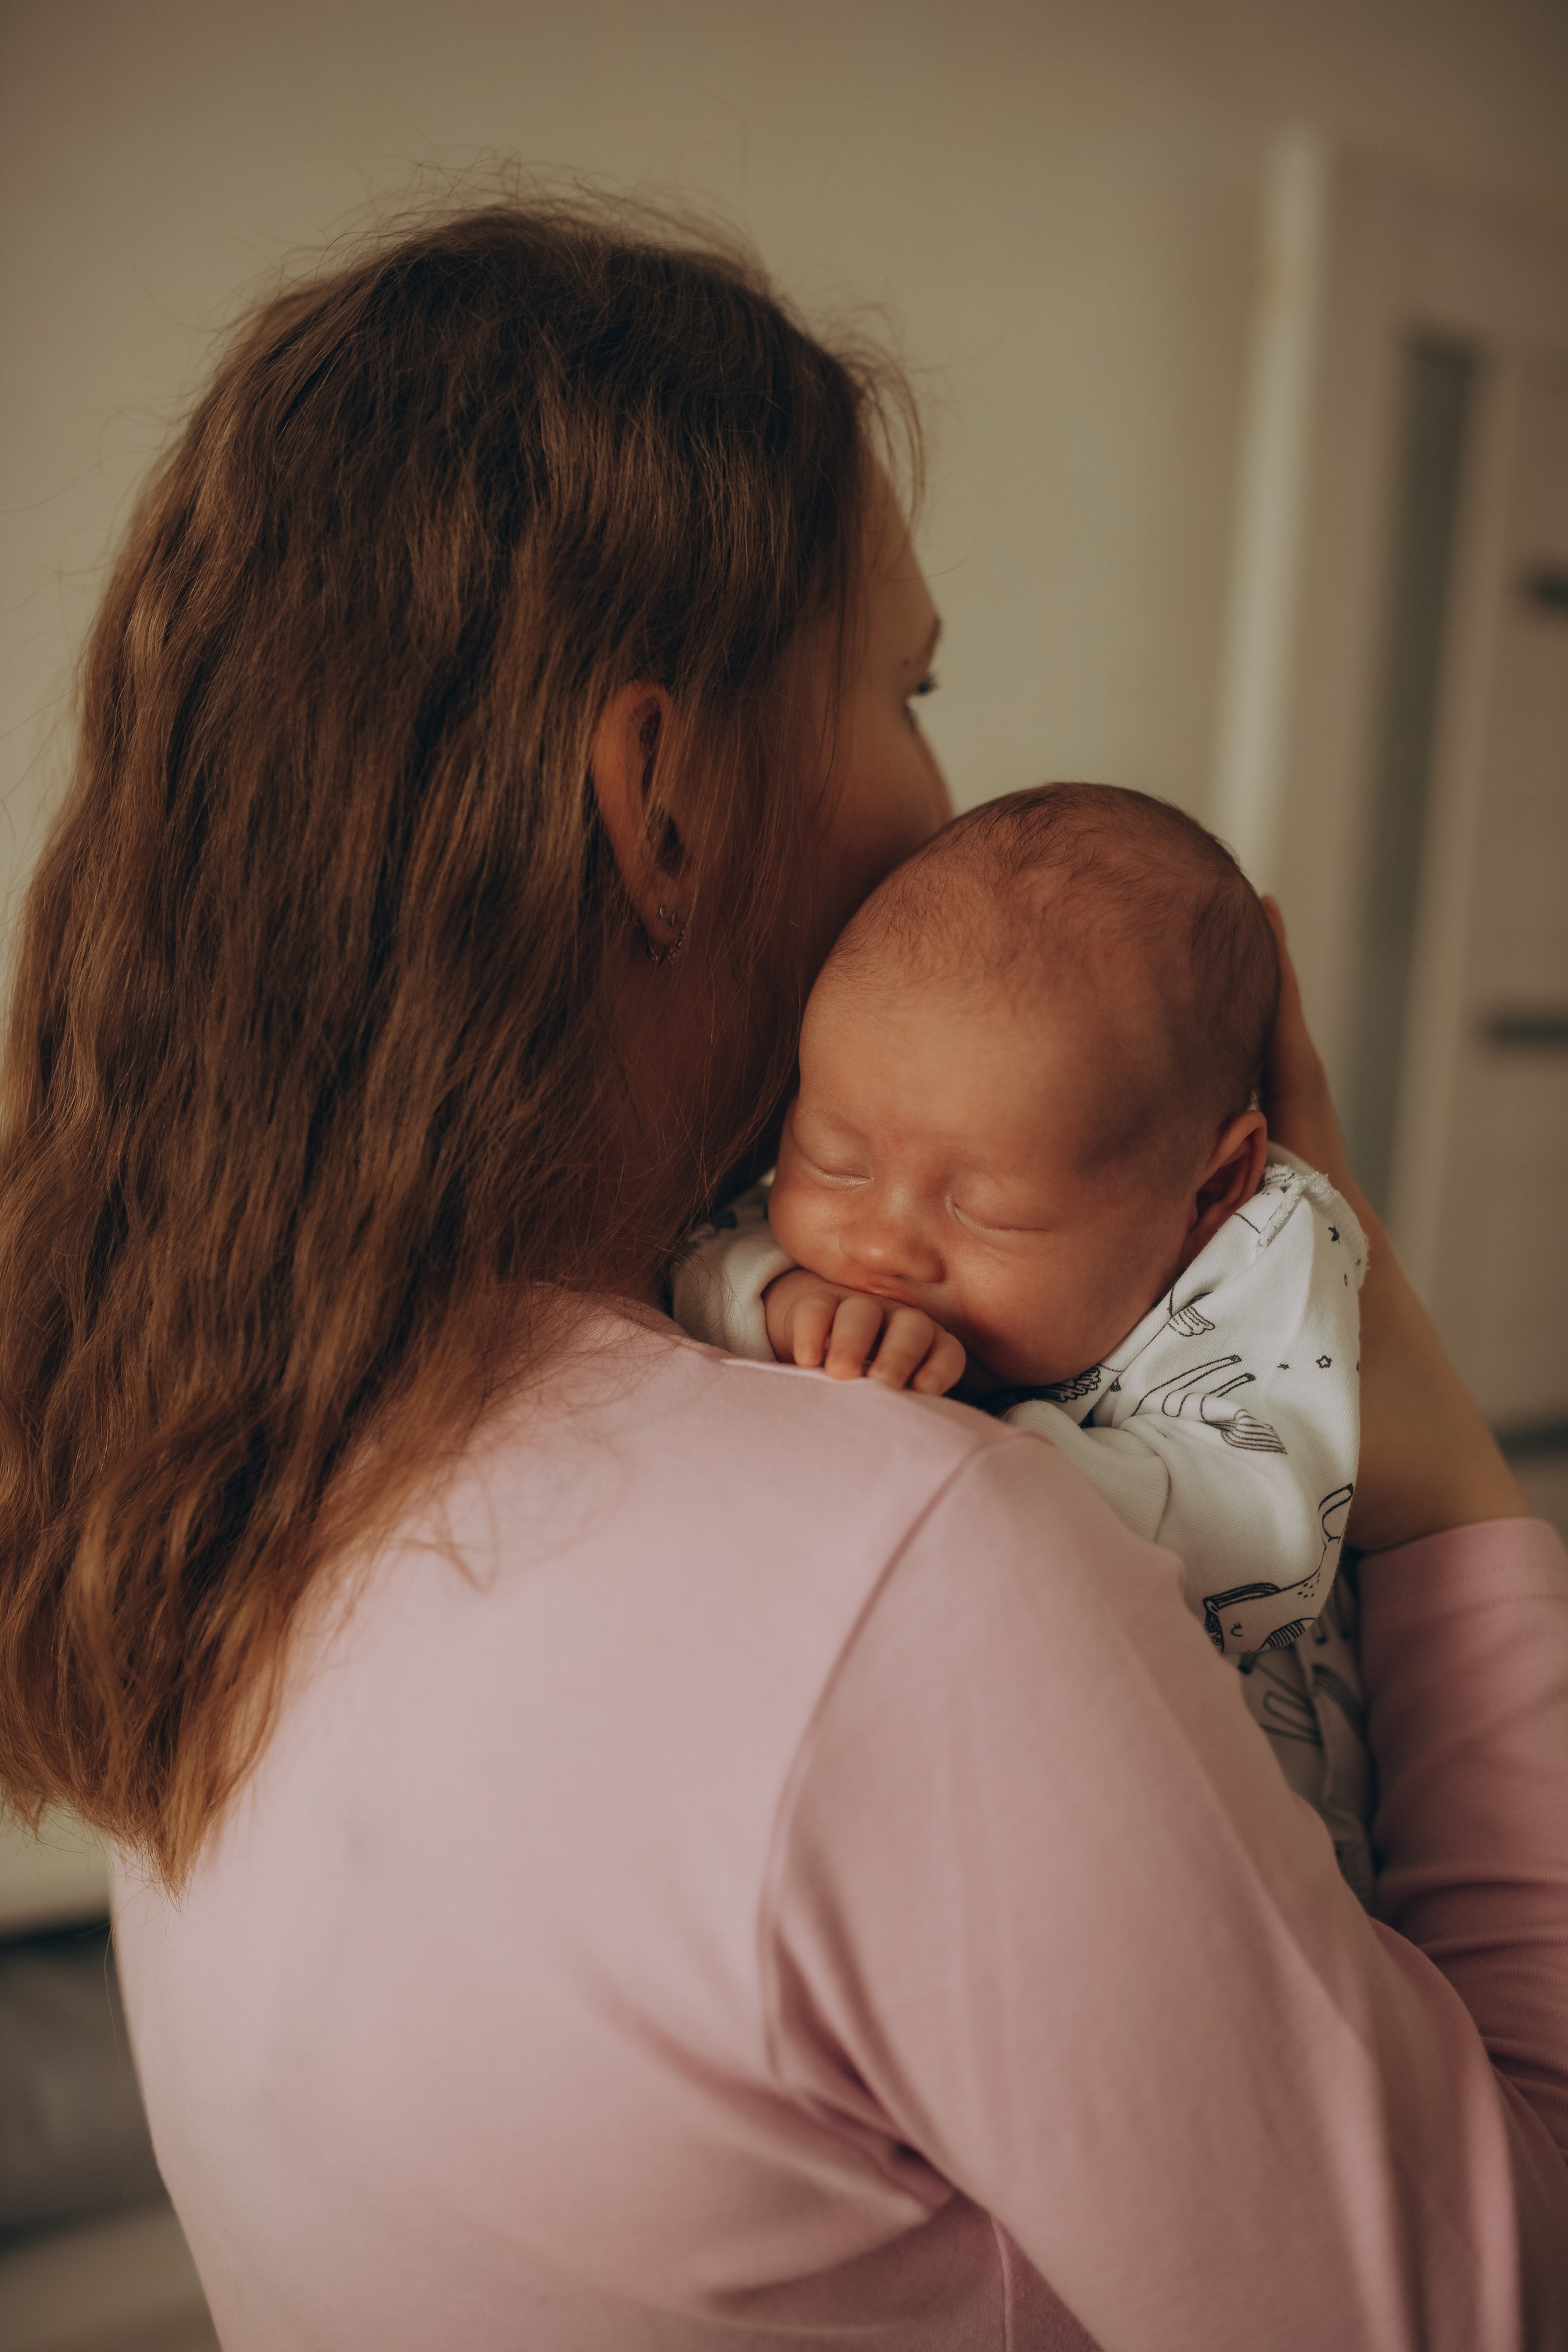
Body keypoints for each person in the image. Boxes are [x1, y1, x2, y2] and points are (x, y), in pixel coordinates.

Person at [0, 198, 1562, 2351]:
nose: (946, 795)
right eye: (908, 689)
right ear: (656, 803)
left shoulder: (223, 1450)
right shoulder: (904, 1567)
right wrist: (1423, 1434)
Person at [673, 782, 1377, 1895]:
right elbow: (702, 1257)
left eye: (988, 1211)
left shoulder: (1266, 1255)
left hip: (1264, 1818)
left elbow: (1261, 1525)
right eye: (832, 1157)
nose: (881, 1243)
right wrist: (773, 1301)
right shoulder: (834, 1228)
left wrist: (969, 1458)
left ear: (1211, 1188)